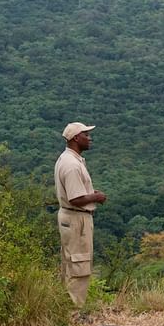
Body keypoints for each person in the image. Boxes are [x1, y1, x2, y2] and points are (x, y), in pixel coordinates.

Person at [54, 121, 107, 308]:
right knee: (79, 264)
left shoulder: (69, 159)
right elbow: (75, 198)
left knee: (71, 263)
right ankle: (75, 309)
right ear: (76, 138)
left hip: (71, 216)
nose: (89, 138)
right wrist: (96, 197)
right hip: (76, 218)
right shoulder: (72, 165)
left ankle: (66, 307)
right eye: (86, 134)